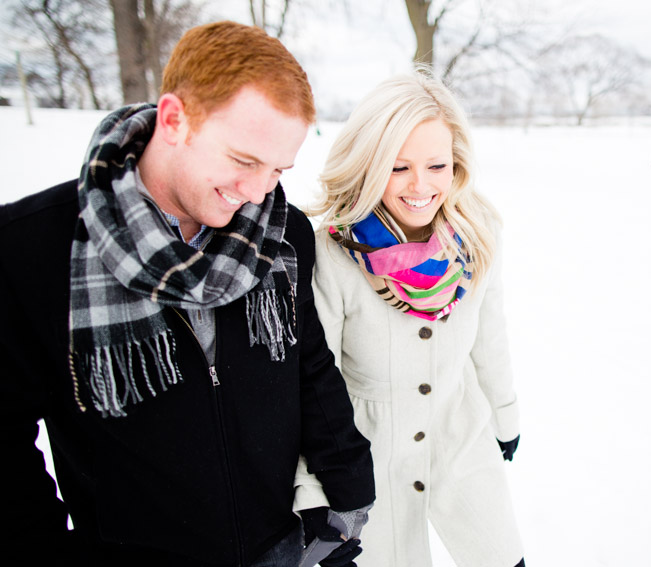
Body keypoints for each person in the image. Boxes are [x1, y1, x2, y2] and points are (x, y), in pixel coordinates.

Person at [0, 21, 374, 567]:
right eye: (245, 161)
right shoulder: (32, 248)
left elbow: (306, 361)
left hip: (281, 545)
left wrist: (345, 491)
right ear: (175, 119)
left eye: (277, 169)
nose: (257, 192)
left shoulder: (282, 233)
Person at [306, 70, 525, 567]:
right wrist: (314, 494)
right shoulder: (333, 253)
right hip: (370, 462)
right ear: (369, 162)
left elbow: (490, 338)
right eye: (399, 167)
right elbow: (316, 385)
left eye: (436, 165)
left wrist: (506, 415)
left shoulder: (478, 233)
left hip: (459, 434)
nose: (421, 185)